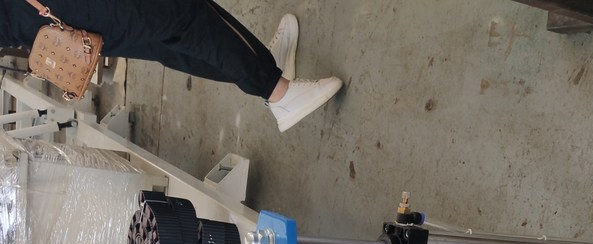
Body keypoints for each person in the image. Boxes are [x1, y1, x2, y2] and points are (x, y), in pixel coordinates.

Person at [2, 2, 341, 132]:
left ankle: (260, 67)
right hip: (49, 9)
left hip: (36, 17)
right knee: (180, 15)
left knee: (164, 36)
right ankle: (277, 91)